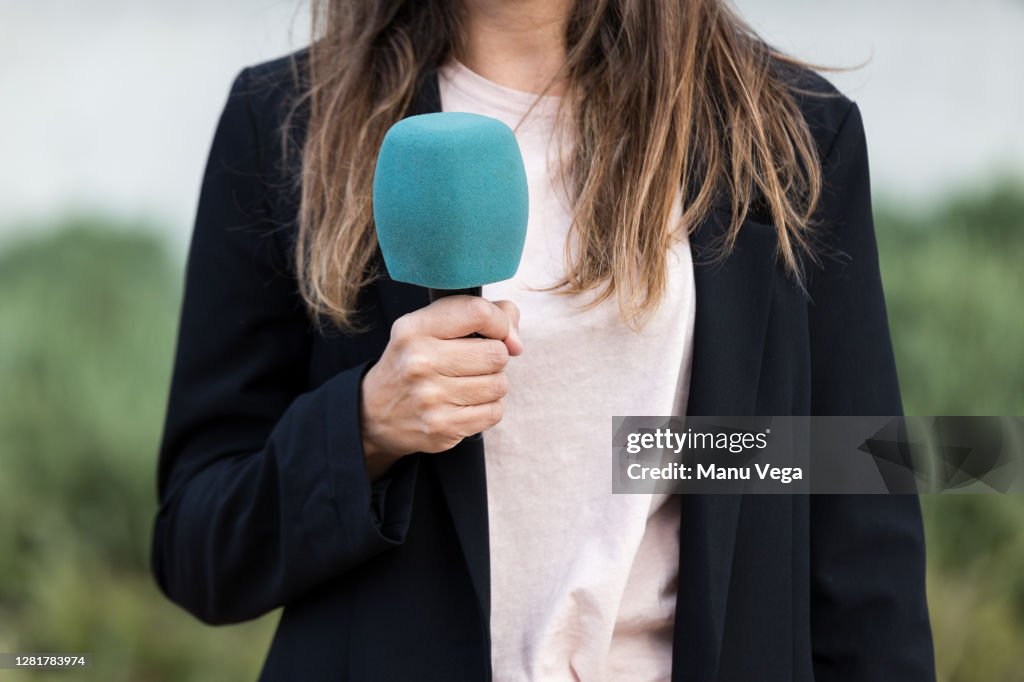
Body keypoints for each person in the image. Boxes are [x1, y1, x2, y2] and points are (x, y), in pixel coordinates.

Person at [151, 0, 936, 680]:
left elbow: (861, 513)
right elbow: (198, 548)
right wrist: (359, 432)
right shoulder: (288, 122)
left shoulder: (788, 130)